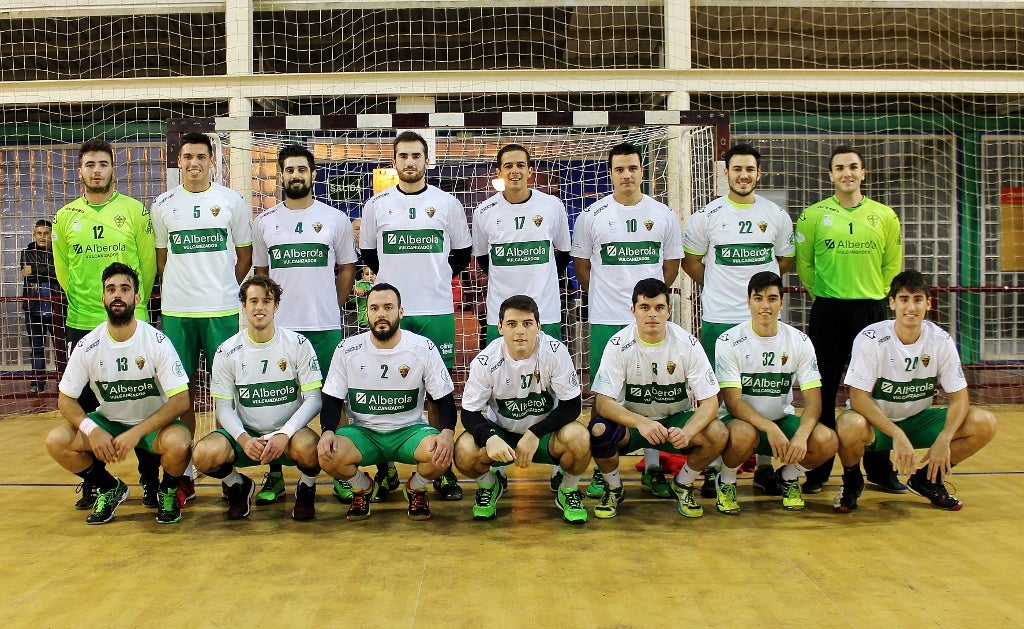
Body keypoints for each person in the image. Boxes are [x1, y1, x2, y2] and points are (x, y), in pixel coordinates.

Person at [359, 130, 472, 501]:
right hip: (389, 314)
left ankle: (441, 470)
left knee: (439, 391)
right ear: (395, 161)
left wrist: (432, 277)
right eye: (403, 156)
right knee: (383, 388)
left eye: (416, 156)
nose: (409, 162)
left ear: (427, 161)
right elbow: (371, 257)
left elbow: (462, 255)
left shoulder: (448, 204)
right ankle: (385, 468)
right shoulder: (376, 205)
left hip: (436, 310)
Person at [571, 142, 684, 501]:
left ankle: (653, 468)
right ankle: (607, 476)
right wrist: (606, 296)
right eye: (619, 169)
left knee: (650, 393)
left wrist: (648, 306)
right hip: (605, 319)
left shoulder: (663, 214)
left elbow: (670, 268)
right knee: (607, 397)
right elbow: (582, 266)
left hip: (649, 322)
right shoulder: (592, 215)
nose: (627, 175)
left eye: (633, 168)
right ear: (610, 173)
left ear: (642, 171)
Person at [682, 143, 795, 497]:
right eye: (737, 169)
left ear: (758, 174)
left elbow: (784, 262)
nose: (743, 175)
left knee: (765, 391)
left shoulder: (776, 215)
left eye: (750, 169)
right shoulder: (707, 215)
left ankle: (764, 468)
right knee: (715, 399)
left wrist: (759, 300)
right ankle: (714, 470)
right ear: (725, 173)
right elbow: (691, 262)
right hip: (719, 319)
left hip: (763, 323)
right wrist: (719, 285)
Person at [833, 270, 997, 513]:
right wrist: (896, 434)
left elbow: (960, 397)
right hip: (878, 425)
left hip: (918, 421)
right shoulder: (870, 338)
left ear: (928, 304)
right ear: (892, 303)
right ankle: (852, 481)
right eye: (904, 299)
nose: (911, 307)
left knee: (984, 422)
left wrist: (945, 437)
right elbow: (858, 398)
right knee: (848, 425)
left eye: (918, 299)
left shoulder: (940, 340)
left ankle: (928, 480)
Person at [51, 138, 158, 510]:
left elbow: (147, 267)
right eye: (89, 164)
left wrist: (128, 306)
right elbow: (64, 271)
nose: (96, 170)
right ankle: (99, 482)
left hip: (132, 324)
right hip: (82, 322)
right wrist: (88, 303)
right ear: (79, 171)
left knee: (142, 403)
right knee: (84, 405)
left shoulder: (134, 211)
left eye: (103, 163)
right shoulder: (65, 217)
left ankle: (151, 482)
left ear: (114, 168)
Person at [44, 262, 191, 525]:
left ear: (136, 297)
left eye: (124, 288)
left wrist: (136, 433)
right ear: (103, 298)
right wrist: (92, 429)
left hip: (151, 425)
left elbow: (181, 399)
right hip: (110, 423)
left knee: (180, 443)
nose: (117, 295)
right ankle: (108, 488)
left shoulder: (156, 341)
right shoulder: (88, 345)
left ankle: (167, 491)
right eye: (111, 289)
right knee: (56, 440)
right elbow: (65, 400)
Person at [151, 131, 253, 506]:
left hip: (222, 311)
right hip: (177, 313)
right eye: (187, 156)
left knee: (228, 392)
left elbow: (244, 254)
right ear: (178, 162)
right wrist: (184, 287)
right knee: (181, 395)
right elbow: (162, 259)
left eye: (200, 156)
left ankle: (230, 472)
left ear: (213, 161)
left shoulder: (231, 201)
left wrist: (223, 286)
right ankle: (185, 475)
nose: (193, 163)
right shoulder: (162, 204)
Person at [251, 143, 355, 507]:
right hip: (281, 332)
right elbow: (261, 276)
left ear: (313, 174)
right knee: (278, 402)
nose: (295, 175)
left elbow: (346, 269)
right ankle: (275, 474)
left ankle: (342, 471)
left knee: (334, 400)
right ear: (280, 175)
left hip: (324, 326)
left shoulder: (335, 220)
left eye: (302, 169)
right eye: (289, 170)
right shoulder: (264, 222)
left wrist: (333, 304)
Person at [795, 145, 904, 495]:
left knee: (875, 391)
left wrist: (874, 294)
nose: (847, 173)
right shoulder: (812, 216)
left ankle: (879, 467)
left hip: (872, 312)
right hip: (828, 311)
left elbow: (892, 266)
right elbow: (805, 267)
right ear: (830, 175)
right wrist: (827, 295)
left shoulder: (885, 216)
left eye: (853, 167)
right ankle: (820, 466)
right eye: (840, 167)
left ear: (863, 173)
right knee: (822, 389)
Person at [471, 143, 572, 490]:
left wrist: (537, 291)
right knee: (495, 390)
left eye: (521, 165)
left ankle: (559, 464)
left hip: (546, 313)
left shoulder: (552, 206)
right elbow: (484, 261)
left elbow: (561, 255)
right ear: (498, 174)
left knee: (555, 388)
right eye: (507, 166)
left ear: (530, 171)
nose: (514, 171)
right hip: (499, 317)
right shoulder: (484, 212)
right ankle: (493, 464)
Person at [317, 283, 458, 521]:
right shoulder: (347, 349)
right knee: (326, 454)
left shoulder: (422, 348)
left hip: (410, 431)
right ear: (367, 314)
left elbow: (444, 400)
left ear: (400, 312)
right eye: (374, 308)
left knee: (441, 454)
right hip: (364, 433)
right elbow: (331, 399)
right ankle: (362, 487)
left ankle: (416, 487)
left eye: (388, 307)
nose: (381, 313)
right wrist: (327, 431)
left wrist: (447, 433)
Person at [587, 278, 726, 519]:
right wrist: (641, 422)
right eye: (645, 307)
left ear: (669, 311)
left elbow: (711, 401)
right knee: (599, 428)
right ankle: (613, 487)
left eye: (659, 308)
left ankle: (683, 484)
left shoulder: (687, 344)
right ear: (633, 311)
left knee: (719, 433)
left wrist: (689, 430)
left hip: (674, 423)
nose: (652, 314)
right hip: (633, 425)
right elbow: (602, 402)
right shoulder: (619, 344)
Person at [194, 276, 324, 521]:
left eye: (266, 301)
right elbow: (222, 406)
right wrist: (243, 439)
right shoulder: (226, 351)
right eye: (253, 301)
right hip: (249, 434)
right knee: (203, 454)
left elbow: (314, 399)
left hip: (289, 436)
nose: (259, 307)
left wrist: (284, 433)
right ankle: (237, 485)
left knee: (311, 449)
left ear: (276, 306)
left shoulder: (297, 344)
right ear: (243, 305)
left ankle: (306, 487)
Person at [455, 295, 589, 524]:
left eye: (527, 323)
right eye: (511, 324)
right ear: (499, 328)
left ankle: (567, 490)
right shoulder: (485, 361)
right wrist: (489, 438)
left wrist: (535, 432)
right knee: (464, 450)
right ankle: (490, 485)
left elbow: (572, 405)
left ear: (538, 326)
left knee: (580, 438)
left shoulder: (555, 352)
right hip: (503, 436)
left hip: (546, 435)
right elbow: (468, 413)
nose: (520, 331)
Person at [714, 271, 837, 513]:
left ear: (782, 302)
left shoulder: (799, 341)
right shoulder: (728, 341)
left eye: (772, 298)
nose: (765, 306)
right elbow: (733, 402)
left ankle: (789, 477)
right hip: (740, 423)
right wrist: (768, 427)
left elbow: (814, 401)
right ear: (748, 301)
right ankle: (726, 481)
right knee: (742, 433)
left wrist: (801, 435)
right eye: (758, 298)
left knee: (827, 440)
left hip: (781, 420)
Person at [21, 219, 66, 394]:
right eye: (39, 233)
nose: (42, 237)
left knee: (61, 349)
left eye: (46, 233)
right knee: (36, 348)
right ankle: (37, 384)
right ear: (34, 235)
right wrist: (49, 271)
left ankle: (64, 383)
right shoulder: (26, 252)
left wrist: (37, 270)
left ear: (51, 235)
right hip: (34, 309)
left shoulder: (59, 252)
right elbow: (28, 276)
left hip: (57, 308)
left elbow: (61, 274)